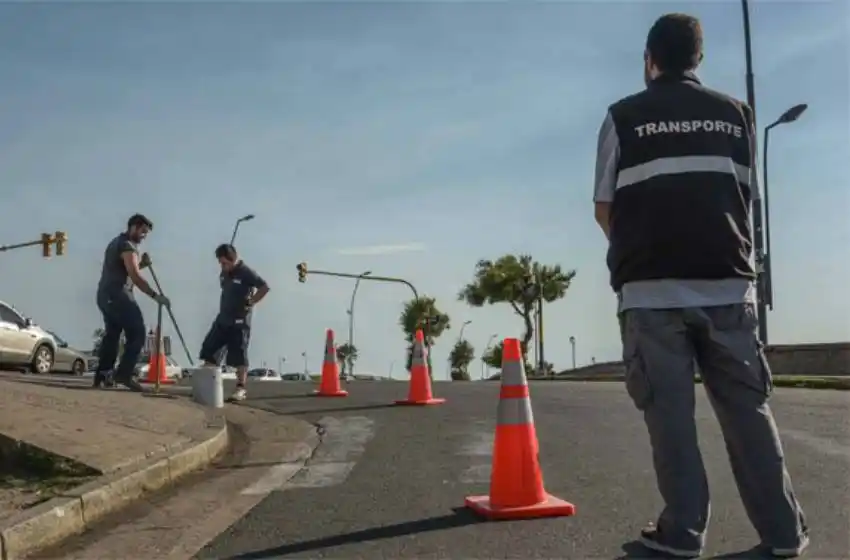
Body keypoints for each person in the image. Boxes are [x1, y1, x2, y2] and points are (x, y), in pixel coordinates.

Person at [592, 13, 808, 559]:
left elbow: (604, 209)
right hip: (728, 289)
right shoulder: (737, 116)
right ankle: (784, 534)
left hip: (651, 292)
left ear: (649, 59)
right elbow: (743, 198)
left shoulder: (622, 117)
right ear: (698, 60)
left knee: (671, 421)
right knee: (748, 415)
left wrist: (647, 242)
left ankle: (683, 534)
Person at [95, 214, 170, 391]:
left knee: (112, 335)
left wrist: (141, 264)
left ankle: (103, 375)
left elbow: (123, 270)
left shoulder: (116, 242)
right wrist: (155, 295)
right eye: (143, 232)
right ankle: (124, 374)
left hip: (105, 295)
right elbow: (134, 276)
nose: (144, 237)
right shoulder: (128, 245)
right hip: (119, 295)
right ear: (134, 227)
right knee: (137, 333)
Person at [199, 244, 269, 402]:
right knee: (209, 348)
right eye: (220, 263)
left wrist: (251, 301)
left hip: (240, 320)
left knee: (239, 354)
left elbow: (264, 287)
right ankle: (207, 386)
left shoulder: (246, 272)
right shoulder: (224, 273)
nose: (222, 266)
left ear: (233, 259)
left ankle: (240, 388)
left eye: (225, 263)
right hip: (223, 317)